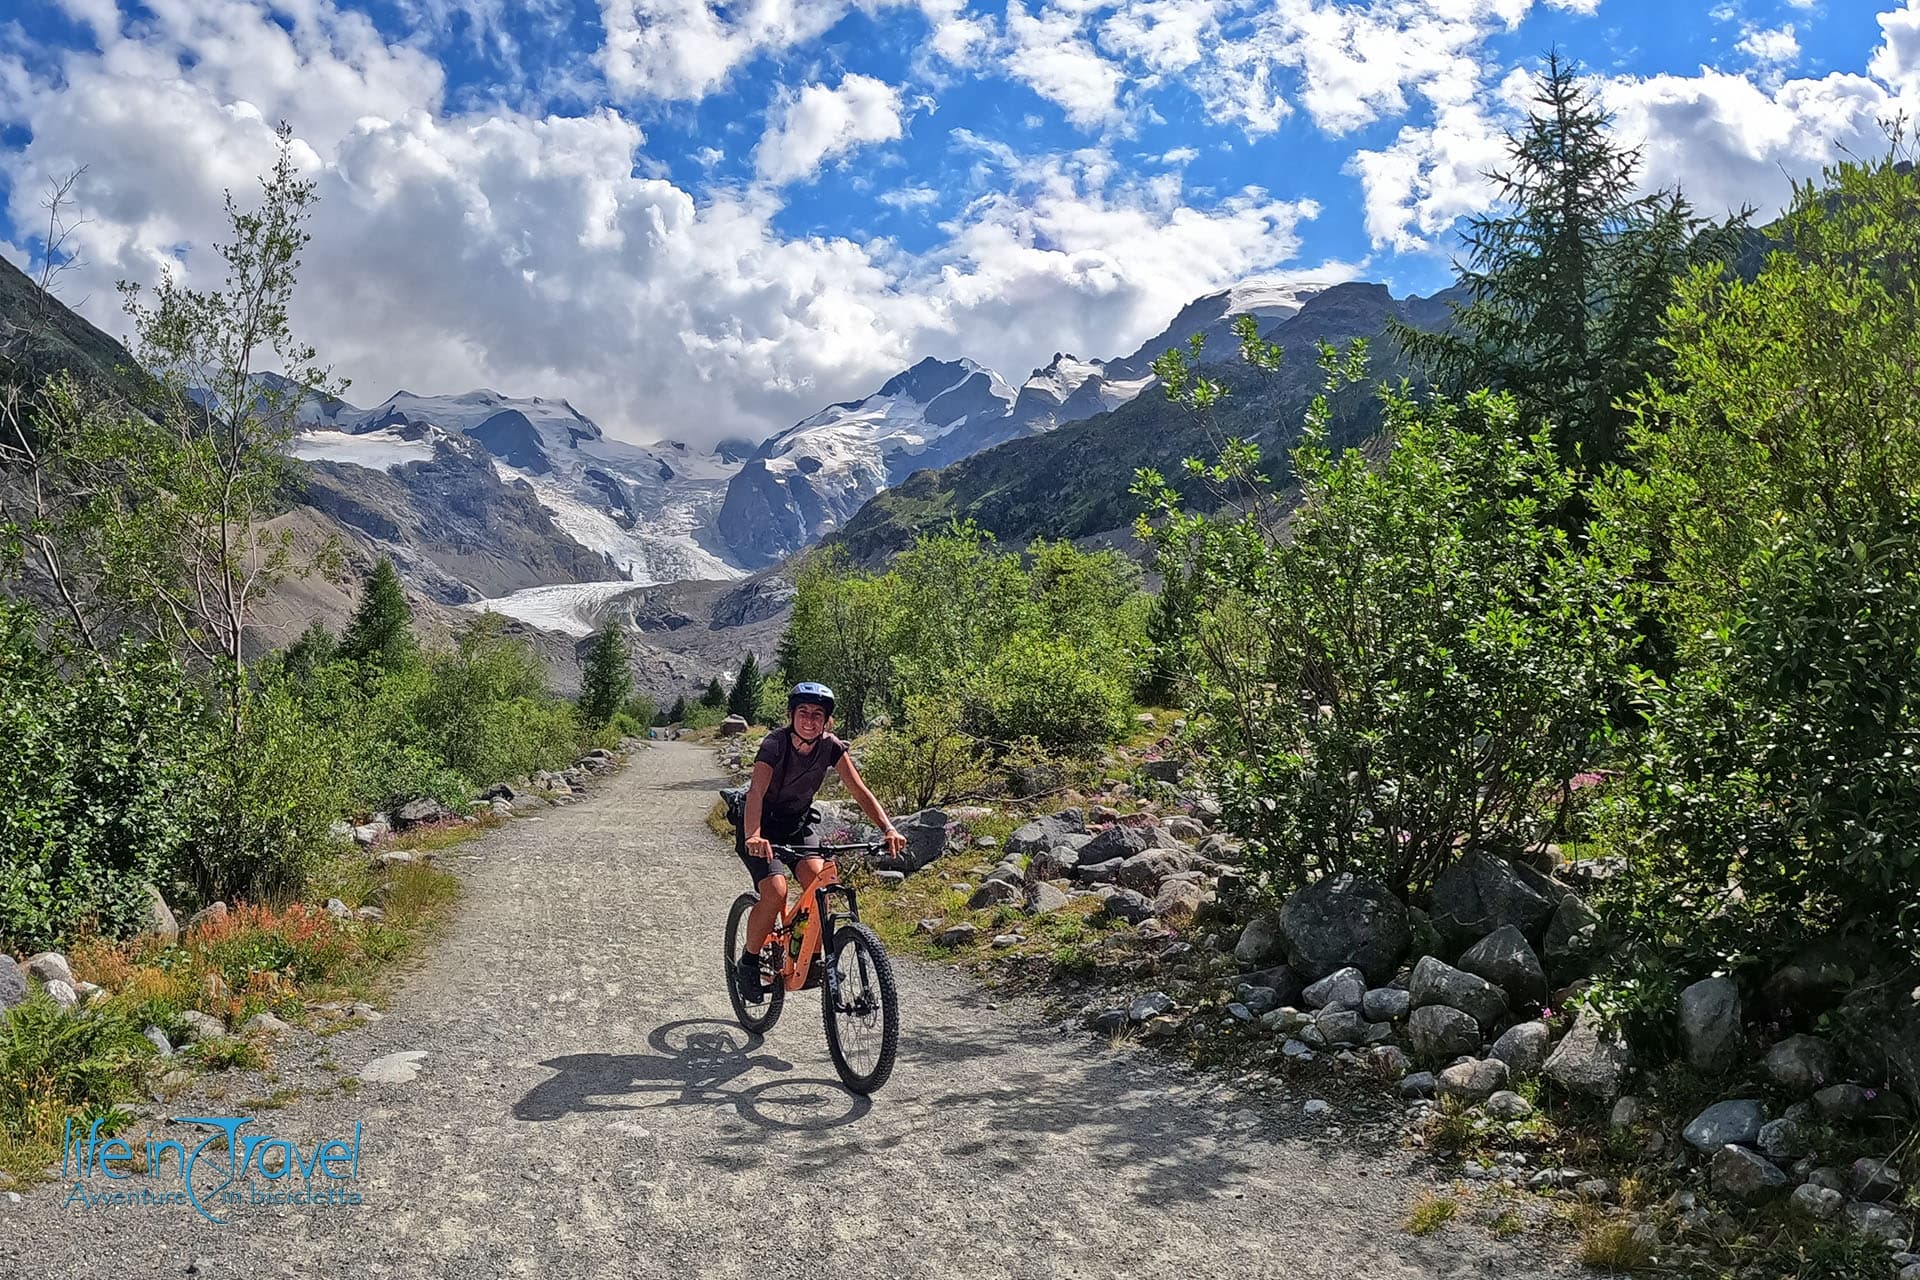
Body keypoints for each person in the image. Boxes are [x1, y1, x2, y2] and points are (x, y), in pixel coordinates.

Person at [734, 681, 908, 998]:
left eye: (818, 714)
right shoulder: (775, 745)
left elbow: (859, 791)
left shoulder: (831, 747)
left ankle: (810, 955)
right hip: (762, 826)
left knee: (822, 883)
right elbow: (757, 791)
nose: (810, 720)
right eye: (803, 712)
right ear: (791, 715)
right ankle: (748, 961)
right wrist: (754, 835)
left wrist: (888, 828)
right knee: (775, 891)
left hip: (797, 825)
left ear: (826, 720)